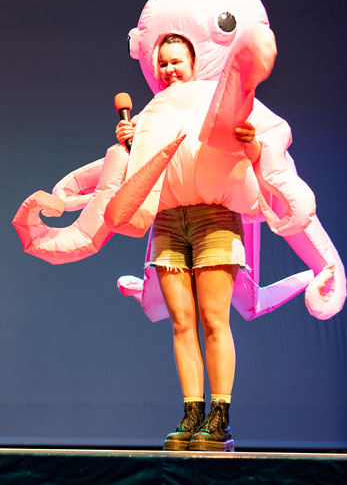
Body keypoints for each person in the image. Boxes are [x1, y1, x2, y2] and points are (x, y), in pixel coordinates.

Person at [114, 33, 258, 452]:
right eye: (162, 63)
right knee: (181, 322)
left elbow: (251, 146)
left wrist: (251, 140)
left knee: (214, 319)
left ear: (194, 64)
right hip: (168, 221)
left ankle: (219, 417)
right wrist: (130, 142)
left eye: (176, 61)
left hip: (214, 216)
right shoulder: (150, 114)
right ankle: (192, 413)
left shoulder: (214, 99)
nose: (169, 69)